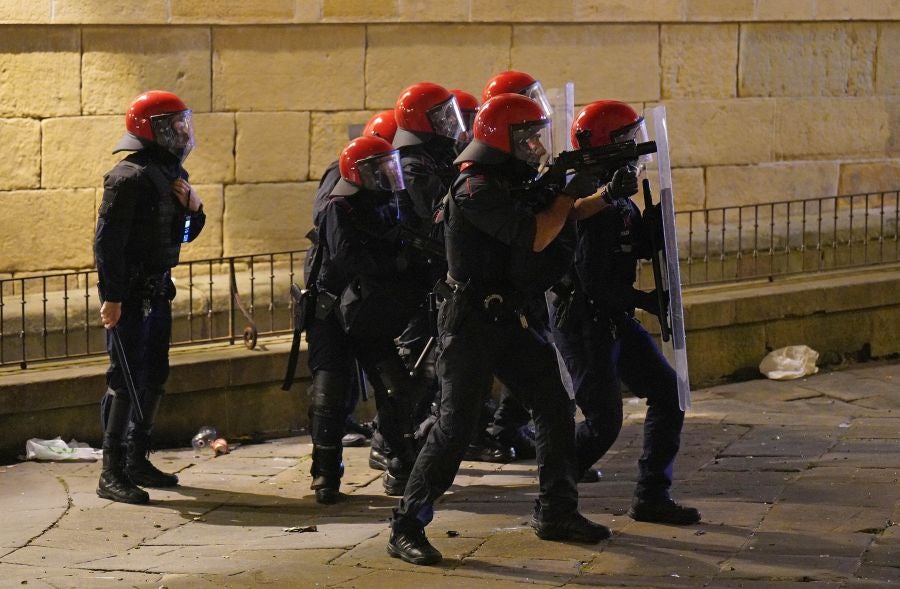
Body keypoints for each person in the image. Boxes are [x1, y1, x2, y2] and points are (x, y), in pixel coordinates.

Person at [388, 93, 608, 566]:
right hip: (469, 323)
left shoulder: (510, 181)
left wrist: (604, 194)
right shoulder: (475, 190)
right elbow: (536, 234)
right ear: (500, 140)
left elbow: (559, 215)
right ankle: (407, 524)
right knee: (455, 426)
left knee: (552, 407)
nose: (535, 147)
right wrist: (569, 191)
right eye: (526, 138)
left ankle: (556, 510)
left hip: (508, 316)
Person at [548, 99, 701, 525]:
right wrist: (644, 300)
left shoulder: (619, 190)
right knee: (602, 422)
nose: (634, 144)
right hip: (584, 322)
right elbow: (591, 278)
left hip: (612, 317)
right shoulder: (580, 191)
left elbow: (627, 242)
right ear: (607, 142)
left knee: (669, 396)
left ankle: (652, 494)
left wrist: (654, 229)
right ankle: (556, 487)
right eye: (626, 137)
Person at [94, 90, 206, 504]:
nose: (182, 130)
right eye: (173, 124)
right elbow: (107, 245)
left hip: (158, 289)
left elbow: (181, 235)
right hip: (129, 294)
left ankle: (137, 459)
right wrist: (113, 297)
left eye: (183, 122)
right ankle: (112, 471)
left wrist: (194, 209)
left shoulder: (171, 173)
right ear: (152, 129)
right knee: (124, 379)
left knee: (154, 375)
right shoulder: (128, 176)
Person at [305, 135, 423, 504]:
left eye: (390, 167)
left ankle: (402, 466)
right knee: (331, 392)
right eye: (379, 170)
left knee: (396, 388)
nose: (387, 175)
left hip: (368, 312)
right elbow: (347, 259)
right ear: (359, 174)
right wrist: (395, 264)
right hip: (332, 313)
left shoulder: (389, 203)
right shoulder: (340, 207)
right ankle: (326, 474)